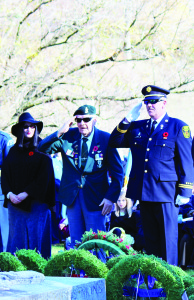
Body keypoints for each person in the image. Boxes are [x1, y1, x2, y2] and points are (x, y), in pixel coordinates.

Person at [108, 85, 194, 265]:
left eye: (153, 101)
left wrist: (185, 192)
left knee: (168, 242)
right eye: (146, 102)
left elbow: (186, 160)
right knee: (151, 241)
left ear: (164, 103)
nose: (149, 105)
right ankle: (155, 282)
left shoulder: (178, 126)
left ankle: (172, 284)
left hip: (166, 194)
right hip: (144, 193)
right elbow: (114, 141)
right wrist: (127, 119)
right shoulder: (138, 126)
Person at [38, 104, 124, 247]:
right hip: (73, 197)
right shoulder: (68, 136)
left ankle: (99, 269)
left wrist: (110, 198)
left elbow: (118, 173)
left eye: (86, 119)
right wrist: (59, 132)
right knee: (77, 242)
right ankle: (79, 270)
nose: (82, 123)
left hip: (97, 199)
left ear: (95, 120)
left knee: (96, 242)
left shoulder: (106, 139)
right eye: (78, 120)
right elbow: (42, 148)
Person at [1, 112, 55, 259]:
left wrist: (26, 193)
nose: (29, 130)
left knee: (35, 242)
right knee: (15, 241)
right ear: (20, 129)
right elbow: (5, 175)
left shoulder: (42, 149)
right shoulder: (13, 151)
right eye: (25, 127)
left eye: (32, 126)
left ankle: (38, 272)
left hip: (37, 205)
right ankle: (15, 272)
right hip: (15, 204)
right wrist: (10, 194)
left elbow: (45, 177)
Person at [0, 131, 14, 252]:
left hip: (0, 193)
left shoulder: (4, 139)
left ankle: (4, 267)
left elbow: (10, 167)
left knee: (3, 234)